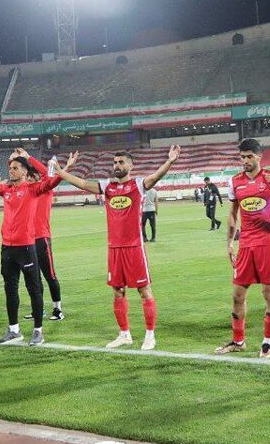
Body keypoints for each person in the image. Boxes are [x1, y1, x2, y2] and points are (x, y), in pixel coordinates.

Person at [53, 146, 181, 351]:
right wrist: (62, 173)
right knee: (117, 291)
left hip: (134, 248)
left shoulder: (138, 184)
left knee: (144, 291)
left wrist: (170, 161)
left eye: (121, 162)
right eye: (115, 163)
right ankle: (124, 334)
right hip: (114, 248)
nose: (117, 166)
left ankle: (150, 335)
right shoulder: (107, 187)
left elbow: (156, 176)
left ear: (131, 165)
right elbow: (84, 184)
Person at [0, 152, 69, 346]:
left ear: (25, 172)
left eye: (15, 168)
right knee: (10, 290)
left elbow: (50, 183)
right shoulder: (6, 189)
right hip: (7, 249)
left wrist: (63, 171)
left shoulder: (33, 189)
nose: (11, 170)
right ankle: (14, 330)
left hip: (26, 247)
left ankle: (37, 331)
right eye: (10, 167)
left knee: (34, 289)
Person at [215, 139, 270, 359]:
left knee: (269, 293)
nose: (245, 161)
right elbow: (232, 213)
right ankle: (238, 341)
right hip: (246, 245)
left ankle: (267, 343)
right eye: (242, 157)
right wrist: (229, 242)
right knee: (237, 295)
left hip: (268, 244)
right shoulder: (234, 182)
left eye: (249, 156)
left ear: (259, 156)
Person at [19, 150, 65, 320]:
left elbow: (47, 173)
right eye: (28, 177)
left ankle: (57, 309)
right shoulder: (26, 192)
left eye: (33, 177)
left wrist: (28, 157)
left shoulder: (45, 190)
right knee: (34, 278)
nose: (30, 179)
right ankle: (38, 309)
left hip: (42, 239)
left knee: (50, 275)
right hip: (28, 241)